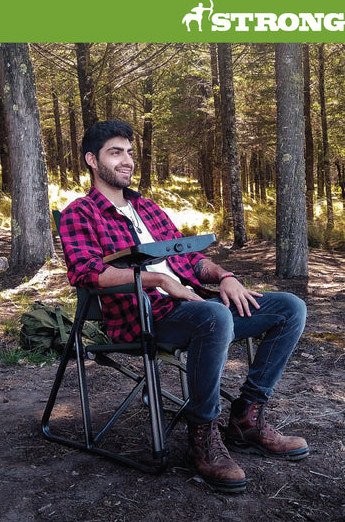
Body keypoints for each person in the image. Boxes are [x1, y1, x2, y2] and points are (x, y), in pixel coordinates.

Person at [59, 120, 309, 493]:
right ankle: (203, 434)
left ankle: (247, 417)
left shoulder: (150, 209)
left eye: (129, 152)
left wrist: (224, 276)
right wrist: (158, 280)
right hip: (143, 316)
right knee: (214, 315)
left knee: (289, 307)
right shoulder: (80, 212)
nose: (127, 161)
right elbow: (87, 271)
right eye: (116, 152)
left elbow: (191, 261)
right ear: (92, 160)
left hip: (196, 308)